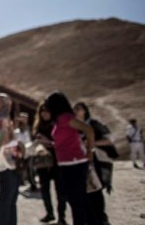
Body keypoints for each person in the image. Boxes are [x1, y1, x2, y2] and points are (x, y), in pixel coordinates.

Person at [46, 91, 94, 225]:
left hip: (75, 162)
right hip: (66, 163)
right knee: (76, 199)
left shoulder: (66, 117)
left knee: (76, 200)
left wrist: (90, 151)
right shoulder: (59, 120)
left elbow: (88, 130)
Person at [0, 93, 23, 225]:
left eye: (9, 104)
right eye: (5, 104)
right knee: (6, 200)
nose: (8, 107)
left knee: (12, 200)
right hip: (3, 163)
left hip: (12, 162)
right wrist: (8, 136)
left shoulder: (6, 120)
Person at [74, 102, 112, 225]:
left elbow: (108, 140)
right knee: (84, 195)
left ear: (85, 110)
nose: (76, 111)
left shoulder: (94, 124)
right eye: (74, 109)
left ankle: (101, 218)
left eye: (78, 108)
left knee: (96, 193)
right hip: (80, 163)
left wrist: (91, 143)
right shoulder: (73, 127)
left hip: (96, 162)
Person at [32, 102, 67, 224]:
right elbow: (36, 142)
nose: (44, 113)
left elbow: (60, 142)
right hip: (42, 162)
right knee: (44, 190)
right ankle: (50, 213)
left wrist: (47, 142)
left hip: (57, 161)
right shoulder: (38, 127)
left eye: (47, 110)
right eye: (42, 111)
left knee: (60, 191)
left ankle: (62, 217)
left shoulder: (57, 125)